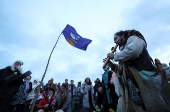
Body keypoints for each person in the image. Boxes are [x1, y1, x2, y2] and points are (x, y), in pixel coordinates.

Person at [106, 30, 170, 111]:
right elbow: (124, 69)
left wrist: (115, 55)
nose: (115, 41)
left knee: (157, 105)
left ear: (122, 35)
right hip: (135, 84)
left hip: (147, 78)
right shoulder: (124, 49)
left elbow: (133, 52)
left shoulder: (134, 39)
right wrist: (113, 66)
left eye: (116, 38)